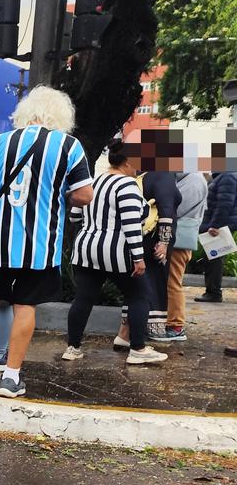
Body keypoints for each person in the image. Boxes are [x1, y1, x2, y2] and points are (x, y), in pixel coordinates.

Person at [0, 86, 95, 399]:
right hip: (40, 246)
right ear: (61, 116)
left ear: (25, 112)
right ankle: (11, 378)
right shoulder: (69, 146)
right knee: (25, 307)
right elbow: (85, 195)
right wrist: (58, 193)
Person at [64, 142, 168, 365]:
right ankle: (138, 349)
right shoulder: (127, 185)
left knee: (83, 298)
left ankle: (72, 348)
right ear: (128, 162)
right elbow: (131, 225)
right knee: (140, 295)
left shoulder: (93, 181)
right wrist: (139, 258)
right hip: (116, 251)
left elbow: (74, 216)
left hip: (86, 248)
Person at [137, 170, 181, 342]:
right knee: (156, 282)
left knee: (141, 283)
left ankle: (131, 328)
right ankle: (154, 329)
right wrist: (164, 241)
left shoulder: (142, 175)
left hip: (142, 237)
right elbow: (166, 208)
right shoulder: (164, 174)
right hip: (155, 240)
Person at [167, 170, 207, 334]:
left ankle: (175, 324)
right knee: (170, 282)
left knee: (172, 282)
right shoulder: (186, 177)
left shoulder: (194, 179)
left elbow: (176, 208)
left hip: (179, 238)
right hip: (176, 236)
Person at [198, 170, 237, 303]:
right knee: (213, 258)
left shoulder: (227, 176)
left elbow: (224, 204)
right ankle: (213, 292)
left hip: (219, 226)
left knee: (214, 258)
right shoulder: (224, 176)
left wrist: (215, 225)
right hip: (221, 224)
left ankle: (213, 293)